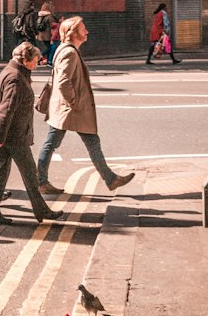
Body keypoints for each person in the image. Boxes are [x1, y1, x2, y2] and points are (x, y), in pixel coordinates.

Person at [38, 16, 135, 196]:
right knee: (54, 143)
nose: (87, 32)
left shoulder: (65, 49)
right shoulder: (69, 52)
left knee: (83, 142)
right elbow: (63, 82)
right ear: (73, 33)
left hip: (66, 109)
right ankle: (41, 182)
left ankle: (111, 179)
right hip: (71, 110)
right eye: (83, 29)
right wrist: (74, 102)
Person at [0, 42, 65, 226]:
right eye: (35, 61)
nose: (37, 64)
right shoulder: (16, 78)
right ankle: (41, 210)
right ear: (26, 60)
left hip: (7, 135)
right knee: (30, 174)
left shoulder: (10, 71)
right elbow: (7, 109)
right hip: (14, 136)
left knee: (0, 173)